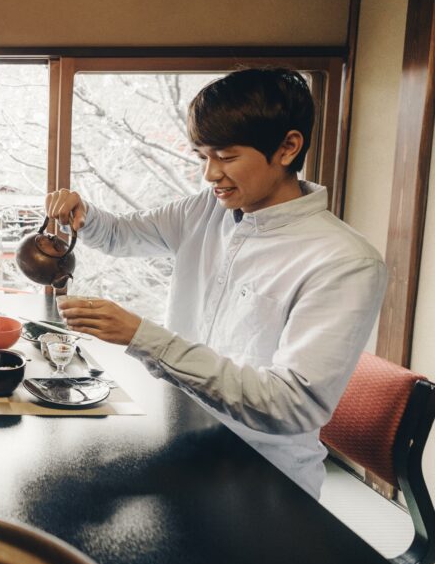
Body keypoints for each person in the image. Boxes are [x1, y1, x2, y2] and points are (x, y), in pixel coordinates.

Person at [46, 68, 387, 498]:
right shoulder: (206, 211)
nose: (209, 174)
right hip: (182, 439)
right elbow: (120, 235)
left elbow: (290, 405)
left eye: (225, 157)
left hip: (261, 477)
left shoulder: (343, 261)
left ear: (288, 147)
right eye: (202, 155)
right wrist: (83, 212)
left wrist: (143, 337)